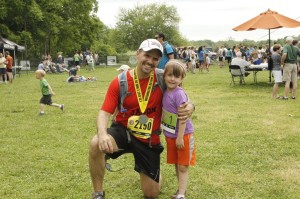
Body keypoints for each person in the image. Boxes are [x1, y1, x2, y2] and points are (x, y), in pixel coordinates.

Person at [88, 39, 195, 199]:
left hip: (149, 139)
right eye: (147, 55)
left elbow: (181, 96)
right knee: (96, 143)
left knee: (151, 194)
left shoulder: (163, 78)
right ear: (137, 54)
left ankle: (153, 173)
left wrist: (191, 106)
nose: (150, 61)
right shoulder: (120, 81)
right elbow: (104, 112)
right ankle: (98, 193)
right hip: (123, 131)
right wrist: (103, 134)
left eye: (155, 58)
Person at [161, 60, 196, 199]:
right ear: (164, 76)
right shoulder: (165, 91)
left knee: (182, 166)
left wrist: (180, 137)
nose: (172, 79)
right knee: (176, 163)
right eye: (169, 75)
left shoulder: (179, 93)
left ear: (182, 78)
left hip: (182, 135)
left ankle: (181, 194)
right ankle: (181, 190)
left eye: (176, 76)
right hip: (170, 135)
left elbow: (183, 117)